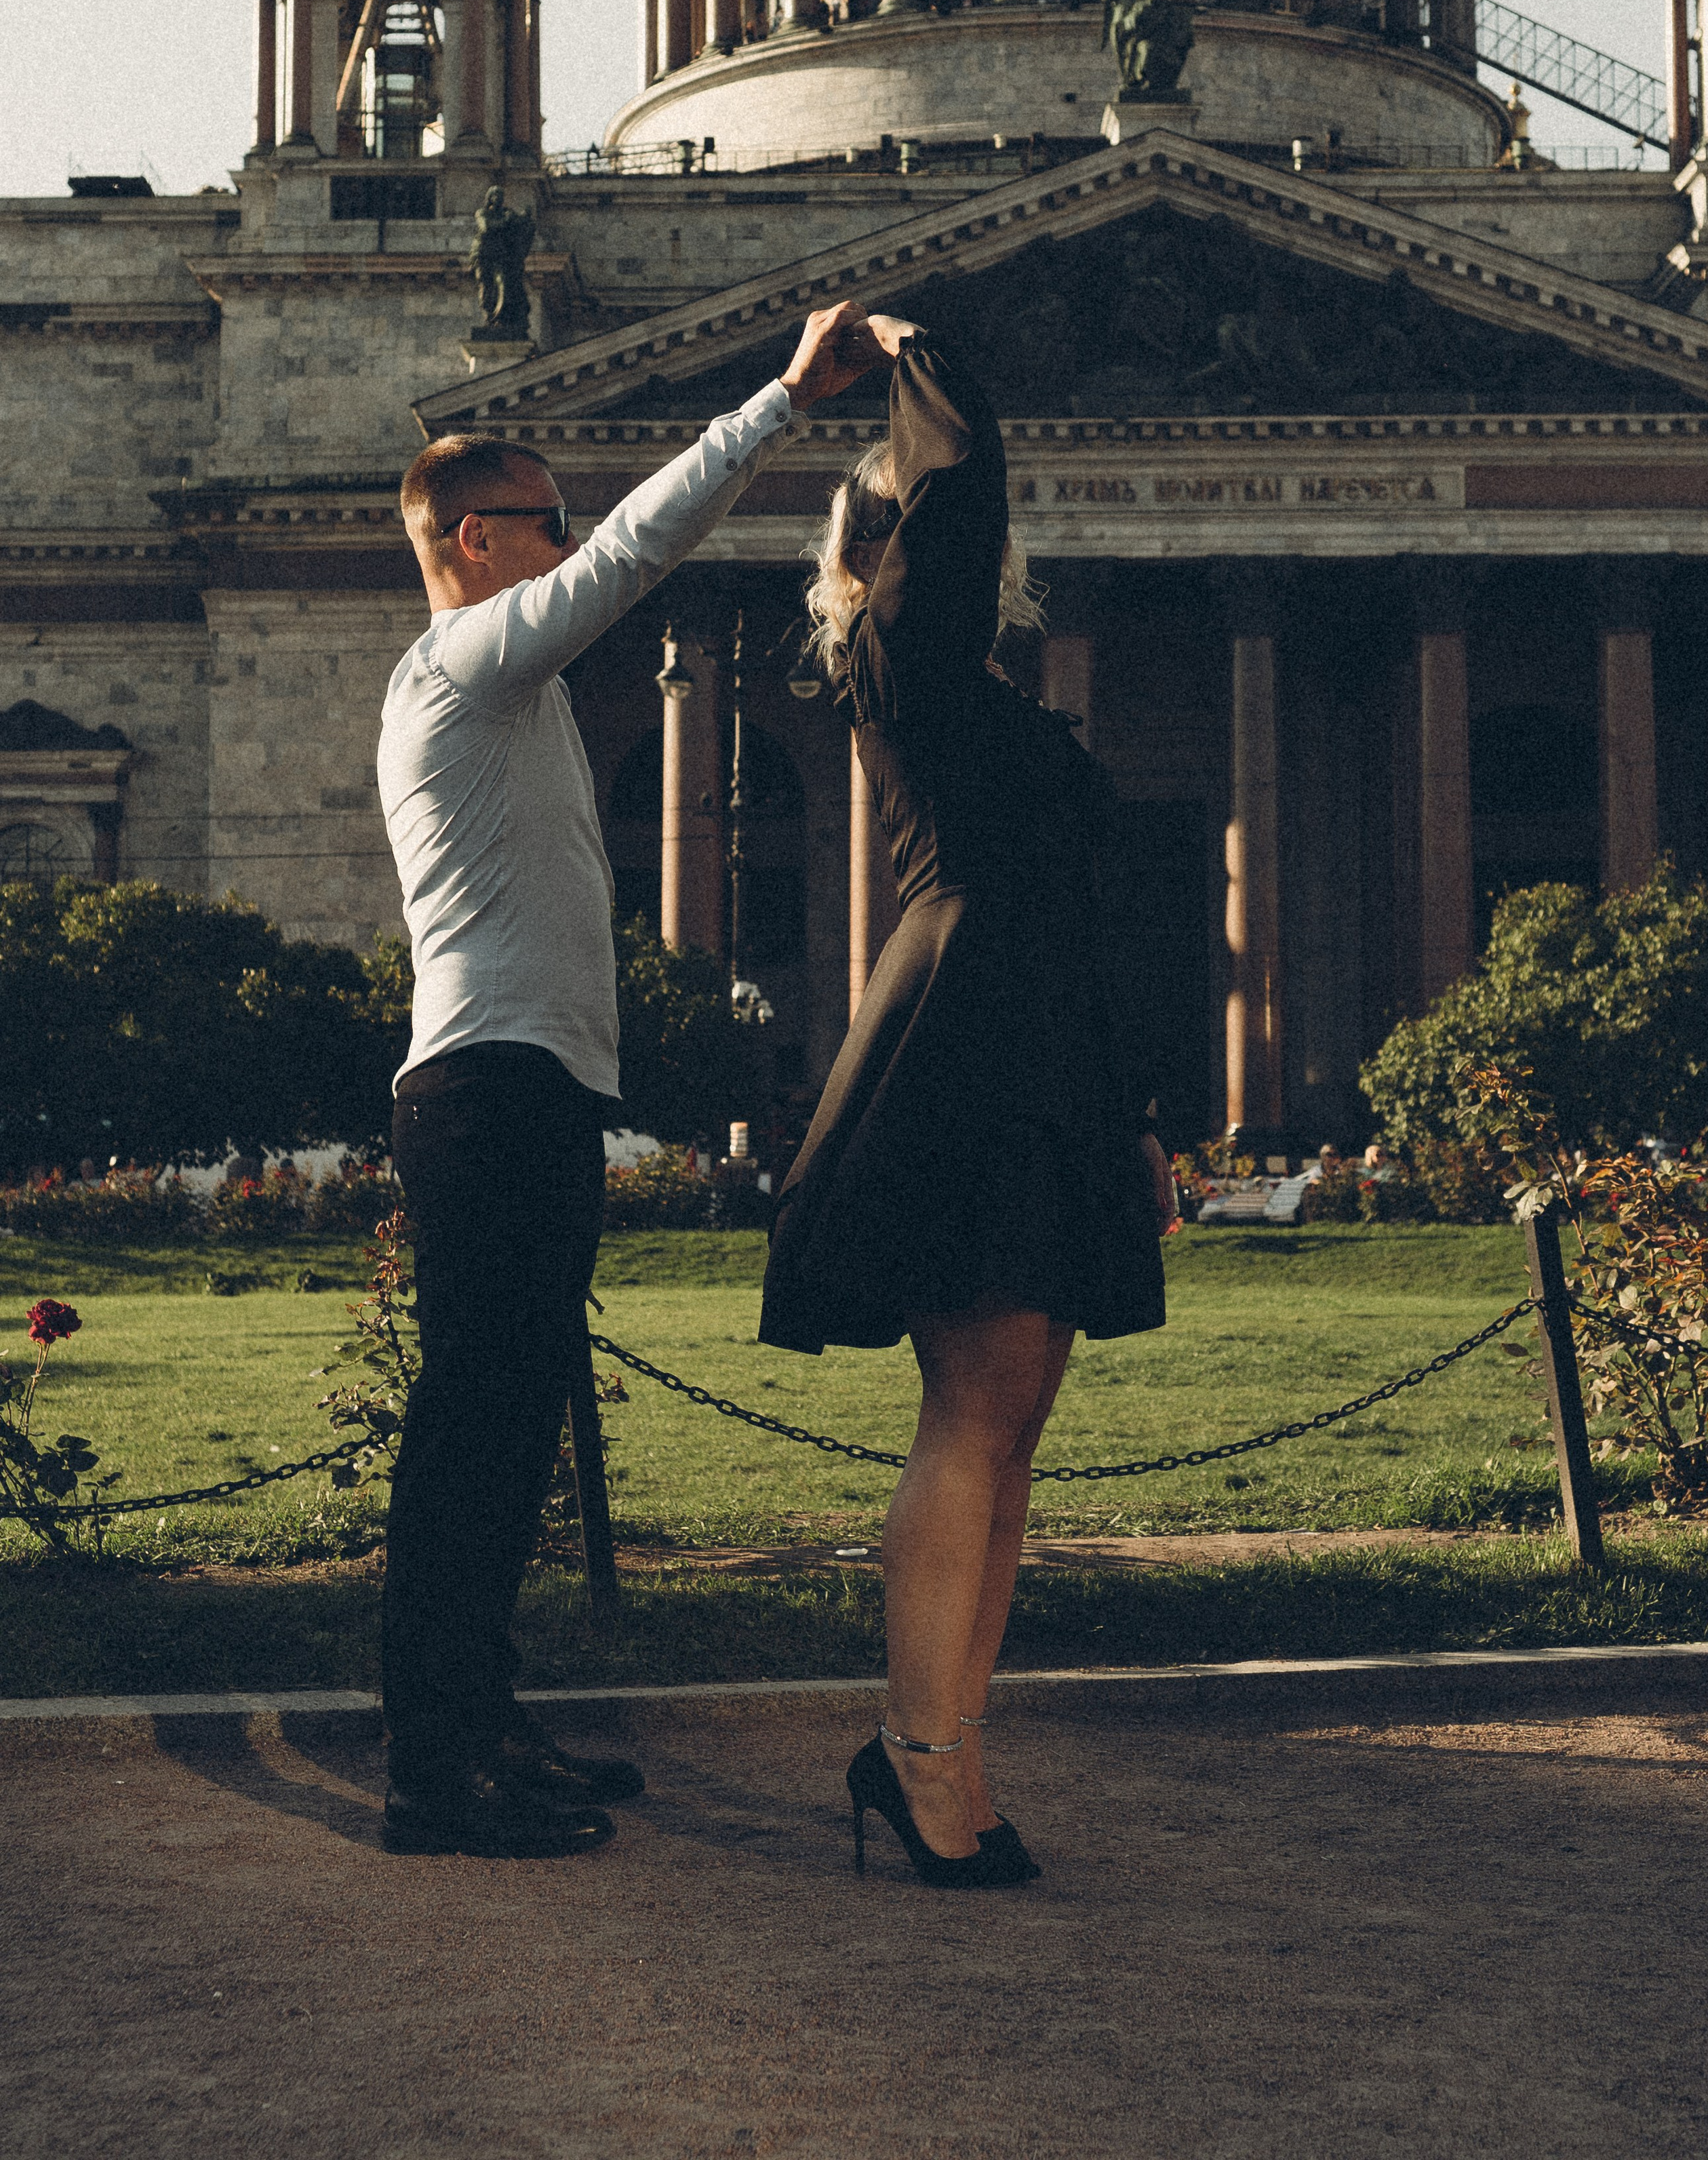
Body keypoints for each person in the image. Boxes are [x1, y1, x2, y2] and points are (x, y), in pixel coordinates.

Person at [376, 297, 875, 1858]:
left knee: (509, 1434)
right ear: (470, 539)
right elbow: (632, 563)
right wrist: (782, 401)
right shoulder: (464, 663)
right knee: (472, 1438)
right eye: (541, 522)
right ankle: (431, 1775)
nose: (564, 541)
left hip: (527, 1088)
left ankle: (484, 1729)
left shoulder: (486, 690)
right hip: (489, 1093)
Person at [760, 320, 1172, 1889]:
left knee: (1008, 1430)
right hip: (969, 1052)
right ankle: (918, 1757)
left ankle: (946, 1747)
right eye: (914, 521)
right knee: (972, 1418)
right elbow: (960, 485)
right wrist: (912, 359)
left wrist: (1131, 1116)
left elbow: (1082, 917)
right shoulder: (903, 664)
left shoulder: (967, 697)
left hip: (1040, 1050)